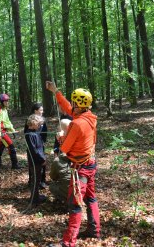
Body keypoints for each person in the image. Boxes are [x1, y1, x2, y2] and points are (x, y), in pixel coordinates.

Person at [46, 81, 101, 247]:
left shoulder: (77, 124)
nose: (73, 105)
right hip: (90, 164)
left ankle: (68, 242)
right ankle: (94, 230)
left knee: (75, 203)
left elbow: (64, 148)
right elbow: (67, 107)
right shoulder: (89, 116)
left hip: (81, 169)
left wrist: (60, 136)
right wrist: (56, 91)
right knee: (91, 197)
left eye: (75, 102)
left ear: (80, 104)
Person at [0, 93, 22, 170]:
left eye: (7, 101)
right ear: (2, 101)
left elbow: (7, 121)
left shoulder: (5, 110)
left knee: (0, 147)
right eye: (5, 101)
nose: (7, 102)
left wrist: (12, 130)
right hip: (2, 132)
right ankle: (14, 165)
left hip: (4, 131)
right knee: (11, 146)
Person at [24, 103, 48, 189]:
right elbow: (26, 131)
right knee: (33, 164)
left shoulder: (43, 120)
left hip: (40, 145)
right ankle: (32, 181)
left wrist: (42, 141)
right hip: (33, 146)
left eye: (42, 110)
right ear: (35, 111)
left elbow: (45, 132)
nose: (42, 111)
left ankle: (42, 181)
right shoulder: (30, 120)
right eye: (40, 110)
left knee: (42, 164)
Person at [25, 114, 47, 205]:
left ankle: (36, 196)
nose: (39, 126)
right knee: (36, 179)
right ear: (33, 123)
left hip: (38, 159)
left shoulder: (35, 132)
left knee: (38, 178)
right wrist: (42, 159)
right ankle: (34, 199)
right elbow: (33, 150)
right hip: (35, 161)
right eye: (38, 124)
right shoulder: (30, 135)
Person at [49, 119, 72, 203]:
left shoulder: (59, 160)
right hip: (81, 189)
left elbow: (53, 177)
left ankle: (65, 198)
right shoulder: (79, 151)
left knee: (52, 185)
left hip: (73, 192)